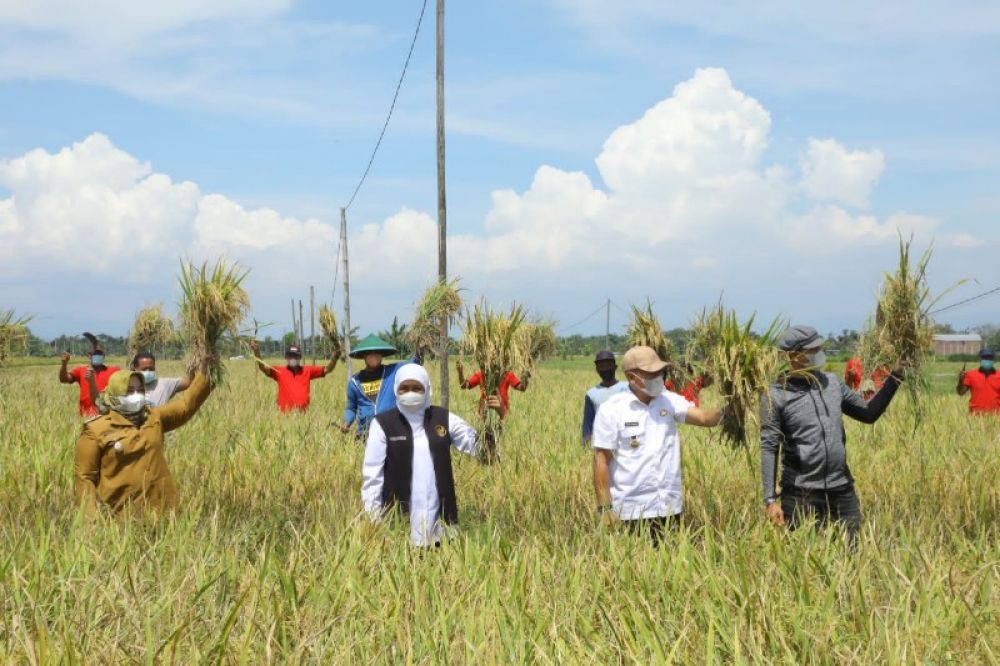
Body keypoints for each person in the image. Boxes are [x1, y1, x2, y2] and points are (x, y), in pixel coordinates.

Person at [760, 325, 903, 545]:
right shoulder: (776, 394)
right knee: (804, 558)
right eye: (811, 349)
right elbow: (769, 447)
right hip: (801, 494)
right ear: (793, 355)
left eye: (818, 347)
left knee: (852, 553)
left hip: (841, 490)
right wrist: (770, 500)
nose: (817, 352)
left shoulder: (832, 383)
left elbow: (868, 413)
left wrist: (896, 377)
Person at [592, 345, 725, 545]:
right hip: (631, 511)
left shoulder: (669, 401)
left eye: (659, 372)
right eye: (651, 373)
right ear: (631, 377)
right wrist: (605, 508)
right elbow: (600, 460)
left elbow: (705, 418)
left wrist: (732, 408)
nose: (658, 377)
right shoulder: (612, 409)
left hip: (669, 507)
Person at [361, 364, 497, 547]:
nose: (410, 393)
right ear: (396, 390)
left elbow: (483, 451)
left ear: (427, 389)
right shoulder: (383, 424)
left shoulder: (444, 418)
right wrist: (374, 522)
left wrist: (494, 418)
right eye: (404, 388)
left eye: (417, 388)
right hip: (399, 530)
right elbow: (372, 477)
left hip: (443, 529)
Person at [74, 354, 213, 517]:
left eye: (140, 390)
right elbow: (85, 478)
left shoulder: (153, 417)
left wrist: (208, 370)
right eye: (129, 391)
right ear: (114, 395)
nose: (137, 395)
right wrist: (90, 521)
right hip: (121, 517)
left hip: (163, 512)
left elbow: (185, 406)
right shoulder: (96, 429)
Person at [341, 335, 419, 437]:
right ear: (364, 356)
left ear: (382, 355)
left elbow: (415, 362)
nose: (374, 356)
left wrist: (420, 348)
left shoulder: (392, 371)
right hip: (365, 434)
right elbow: (351, 408)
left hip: (390, 432)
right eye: (370, 353)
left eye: (377, 352)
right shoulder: (355, 381)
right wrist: (347, 421)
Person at [250, 341, 339, 413]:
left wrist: (335, 357)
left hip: (303, 417)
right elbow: (263, 368)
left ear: (300, 357)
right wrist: (257, 352)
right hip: (284, 418)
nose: (293, 358)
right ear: (286, 357)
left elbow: (327, 369)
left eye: (295, 355)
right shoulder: (279, 371)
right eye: (290, 355)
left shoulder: (307, 370)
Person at [582, 350, 629, 445]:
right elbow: (588, 424)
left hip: (627, 439)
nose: (605, 369)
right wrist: (585, 446)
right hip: (603, 442)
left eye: (608, 365)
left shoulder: (628, 387)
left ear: (615, 367)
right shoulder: (591, 394)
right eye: (601, 366)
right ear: (597, 370)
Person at [456, 358, 529, 418]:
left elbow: (522, 388)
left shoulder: (507, 374)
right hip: (484, 414)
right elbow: (464, 385)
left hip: (502, 414)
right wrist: (460, 372)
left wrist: (525, 376)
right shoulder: (481, 374)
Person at [59, 346, 119, 417]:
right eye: (95, 354)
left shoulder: (114, 371)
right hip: (85, 416)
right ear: (89, 356)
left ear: (104, 356)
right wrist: (64, 364)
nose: (97, 356)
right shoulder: (81, 370)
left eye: (99, 354)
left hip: (105, 416)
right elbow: (64, 379)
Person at [957, 348, 1000, 414]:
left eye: (989, 358)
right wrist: (960, 380)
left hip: (996, 416)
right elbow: (960, 392)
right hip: (975, 416)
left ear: (993, 360)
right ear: (980, 359)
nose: (987, 360)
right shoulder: (971, 375)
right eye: (984, 358)